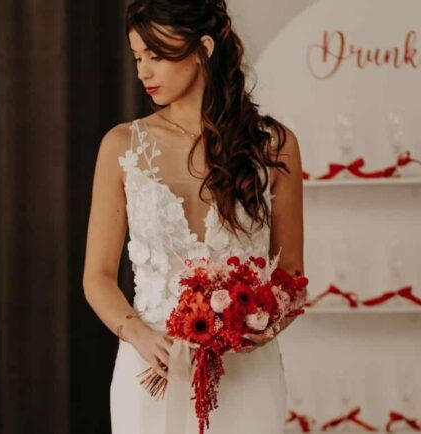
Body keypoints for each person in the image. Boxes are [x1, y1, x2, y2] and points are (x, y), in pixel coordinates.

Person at [81, 0, 306, 432]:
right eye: (137, 57)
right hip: (151, 371)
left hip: (246, 374)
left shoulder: (275, 146)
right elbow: (98, 276)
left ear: (203, 48)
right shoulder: (121, 146)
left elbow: (291, 275)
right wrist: (138, 335)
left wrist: (264, 324)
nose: (143, 72)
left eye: (157, 56)